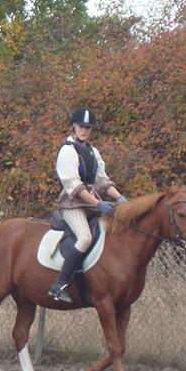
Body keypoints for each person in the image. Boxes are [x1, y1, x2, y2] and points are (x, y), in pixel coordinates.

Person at [48, 107, 127, 304]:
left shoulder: (93, 152)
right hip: (72, 205)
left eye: (88, 128)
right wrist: (98, 203)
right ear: (74, 126)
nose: (85, 130)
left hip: (91, 204)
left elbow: (102, 181)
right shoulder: (67, 151)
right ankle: (60, 284)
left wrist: (120, 199)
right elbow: (73, 185)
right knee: (84, 238)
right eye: (82, 126)